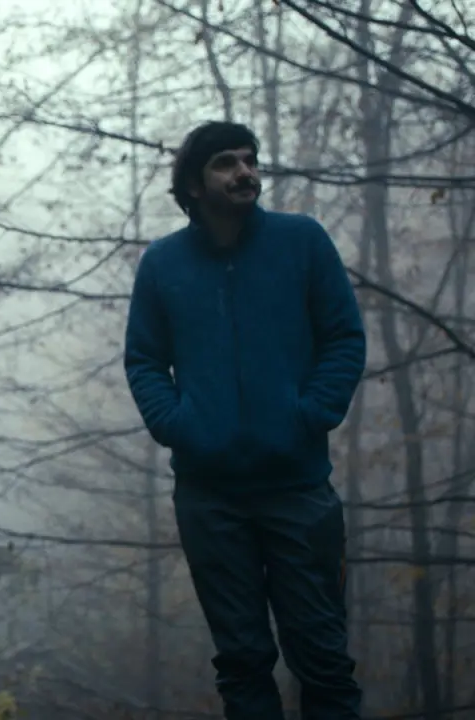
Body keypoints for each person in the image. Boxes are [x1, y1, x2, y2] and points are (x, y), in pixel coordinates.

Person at [123, 121, 366, 719]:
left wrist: (309, 415)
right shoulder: (163, 263)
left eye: (250, 160)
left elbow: (343, 338)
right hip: (210, 499)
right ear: (194, 184)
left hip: (298, 488)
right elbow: (144, 360)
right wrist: (180, 426)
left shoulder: (301, 242)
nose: (245, 173)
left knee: (323, 659)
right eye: (226, 163)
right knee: (242, 663)